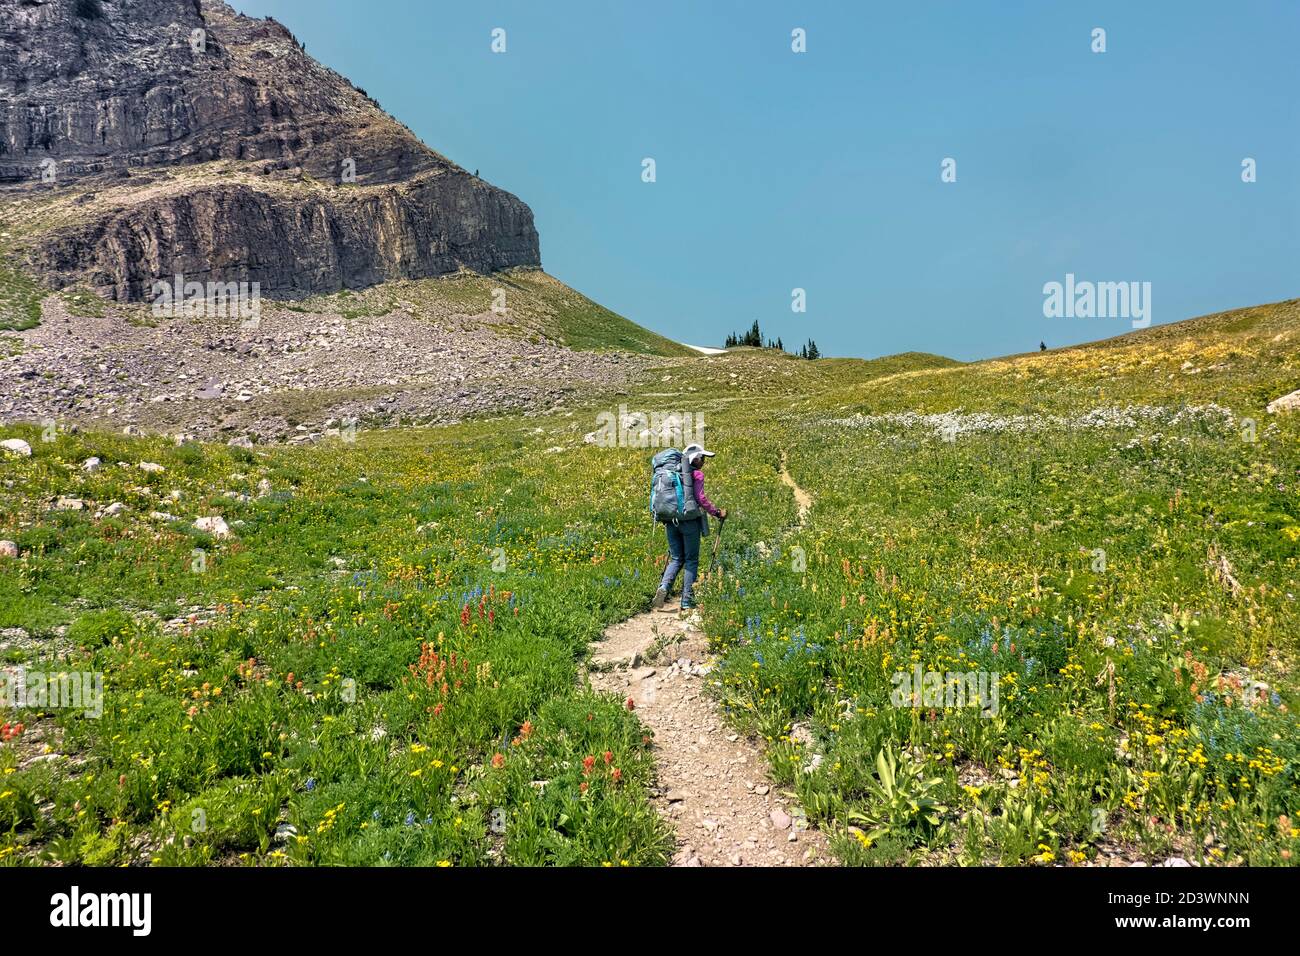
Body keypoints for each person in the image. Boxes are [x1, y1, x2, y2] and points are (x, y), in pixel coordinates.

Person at [653, 443, 727, 612]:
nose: (704, 462)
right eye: (703, 458)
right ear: (696, 459)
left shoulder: (673, 474)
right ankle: (687, 601)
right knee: (691, 560)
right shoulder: (697, 474)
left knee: (677, 558)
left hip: (671, 520)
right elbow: (701, 498)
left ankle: (664, 587)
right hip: (689, 523)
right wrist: (716, 513)